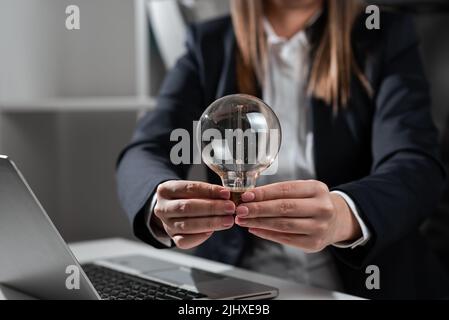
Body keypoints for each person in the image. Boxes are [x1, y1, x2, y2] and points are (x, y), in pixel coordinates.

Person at [116, 0, 449, 299]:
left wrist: (343, 216)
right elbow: (146, 150)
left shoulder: (383, 35)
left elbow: (415, 165)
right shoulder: (209, 42)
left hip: (364, 284)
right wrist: (161, 204)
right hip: (239, 288)